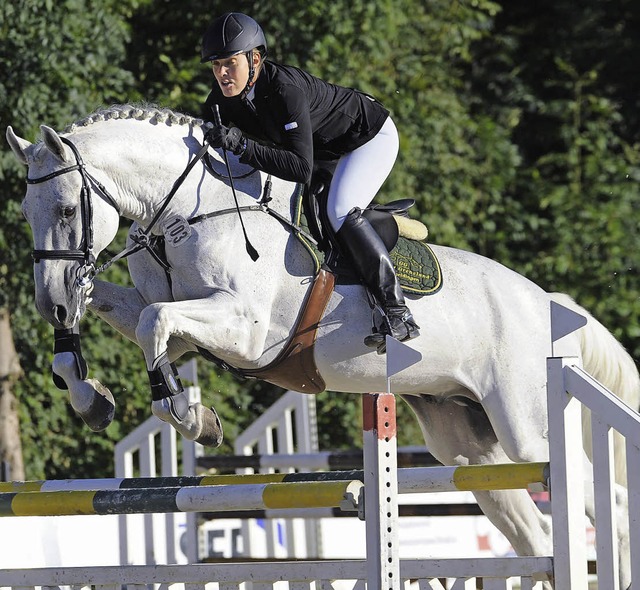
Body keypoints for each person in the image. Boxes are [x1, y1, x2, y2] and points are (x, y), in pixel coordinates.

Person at [200, 12, 419, 352]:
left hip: (367, 137)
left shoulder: (284, 90)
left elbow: (300, 168)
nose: (222, 74)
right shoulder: (221, 100)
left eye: (230, 63)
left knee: (340, 210)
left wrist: (243, 146)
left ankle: (397, 311)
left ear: (254, 58)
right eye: (216, 66)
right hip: (326, 152)